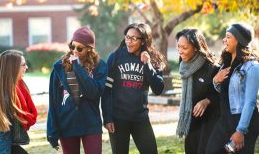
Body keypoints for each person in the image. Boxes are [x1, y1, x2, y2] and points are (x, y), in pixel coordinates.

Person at [102, 22, 165, 154]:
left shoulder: (152, 59)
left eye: (133, 38)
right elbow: (106, 90)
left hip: (140, 119)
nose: (129, 42)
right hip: (118, 119)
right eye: (127, 37)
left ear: (143, 41)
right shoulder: (115, 57)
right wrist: (107, 117)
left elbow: (158, 89)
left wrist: (148, 65)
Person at [47, 26, 107, 154]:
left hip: (90, 122)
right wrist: (51, 130)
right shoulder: (59, 67)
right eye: (73, 46)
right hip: (67, 123)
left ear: (90, 49)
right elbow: (53, 100)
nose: (75, 51)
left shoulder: (100, 66)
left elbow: (93, 92)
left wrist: (78, 67)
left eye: (80, 48)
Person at [206, 23, 259, 154]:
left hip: (244, 122)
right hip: (225, 119)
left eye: (228, 37)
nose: (224, 40)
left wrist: (240, 130)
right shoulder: (226, 63)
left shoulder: (252, 67)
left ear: (239, 40)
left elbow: (250, 102)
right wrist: (215, 81)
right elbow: (225, 93)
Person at [175, 28, 220, 154]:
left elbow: (221, 93)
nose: (180, 51)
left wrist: (206, 101)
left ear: (196, 47)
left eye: (184, 48)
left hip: (209, 122)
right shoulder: (184, 65)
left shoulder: (212, 68)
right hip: (191, 122)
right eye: (178, 47)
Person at [0, 50, 37, 154]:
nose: (26, 68)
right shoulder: (5, 95)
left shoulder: (15, 87)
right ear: (12, 68)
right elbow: (3, 131)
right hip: (2, 146)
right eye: (23, 65)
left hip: (4, 144)